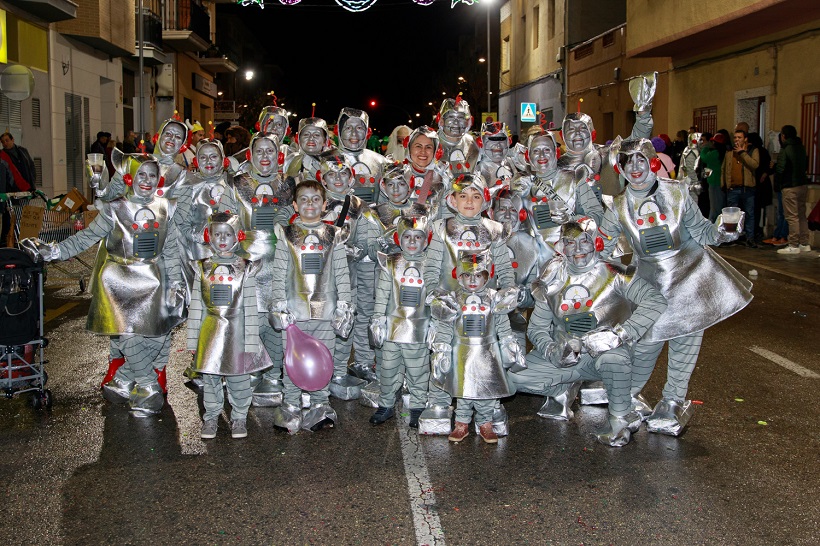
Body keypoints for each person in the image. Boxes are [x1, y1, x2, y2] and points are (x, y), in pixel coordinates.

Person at [599, 137, 753, 436]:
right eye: (627, 161)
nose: (635, 167)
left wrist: (723, 232)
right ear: (620, 167)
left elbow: (702, 231)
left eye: (640, 159)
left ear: (652, 161)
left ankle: (673, 400)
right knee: (646, 342)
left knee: (686, 339)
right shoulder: (618, 206)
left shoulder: (678, 192)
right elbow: (602, 245)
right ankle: (629, 394)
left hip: (692, 276)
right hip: (651, 283)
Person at [20, 153, 185, 416]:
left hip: (153, 279)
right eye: (141, 174)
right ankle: (146, 387)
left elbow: (172, 249)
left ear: (159, 179)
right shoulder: (114, 208)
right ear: (130, 177)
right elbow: (86, 237)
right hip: (118, 279)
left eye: (152, 175)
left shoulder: (167, 207)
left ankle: (122, 379)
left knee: (160, 335)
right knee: (128, 335)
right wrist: (54, 251)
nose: (147, 180)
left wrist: (176, 282)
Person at [510, 219, 667, 447]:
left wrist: (620, 335)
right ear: (561, 246)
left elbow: (655, 301)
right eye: (569, 243)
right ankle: (562, 388)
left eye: (584, 241)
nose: (578, 249)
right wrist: (552, 349)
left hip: (610, 354)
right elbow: (537, 328)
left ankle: (620, 418)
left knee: (614, 360)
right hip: (568, 355)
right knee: (514, 378)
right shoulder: (552, 279)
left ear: (597, 243)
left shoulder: (617, 273)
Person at [420, 173, 517, 435]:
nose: (470, 202)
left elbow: (504, 268)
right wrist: (434, 294)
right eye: (463, 196)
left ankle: (491, 405)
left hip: (484, 305)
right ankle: (439, 403)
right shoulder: (442, 228)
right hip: (450, 304)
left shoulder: (494, 229)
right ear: (452, 200)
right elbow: (431, 268)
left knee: (488, 357)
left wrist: (507, 291)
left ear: (485, 202)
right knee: (443, 356)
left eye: (476, 196)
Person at [269, 180, 354, 434]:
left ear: (325, 204)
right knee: (292, 361)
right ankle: (291, 405)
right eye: (303, 199)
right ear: (295, 205)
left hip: (325, 313)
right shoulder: (286, 234)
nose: (310, 204)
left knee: (323, 359)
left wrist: (345, 304)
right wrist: (278, 303)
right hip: (294, 313)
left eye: (316, 199)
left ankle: (320, 405)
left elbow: (341, 274)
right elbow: (279, 273)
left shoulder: (334, 235)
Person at [187, 211, 268, 440]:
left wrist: (251, 339)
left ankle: (240, 415)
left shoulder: (246, 268)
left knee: (238, 377)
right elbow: (196, 307)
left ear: (237, 237)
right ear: (209, 237)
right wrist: (193, 340)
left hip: (237, 331)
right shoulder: (202, 268)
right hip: (210, 331)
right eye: (217, 234)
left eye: (228, 234)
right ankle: (211, 415)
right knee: (210, 377)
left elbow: (250, 306)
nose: (222, 239)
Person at [429, 253, 524, 444]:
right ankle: (461, 422)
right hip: (461, 352)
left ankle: (485, 423)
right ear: (459, 276)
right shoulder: (453, 299)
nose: (473, 280)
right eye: (467, 275)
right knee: (464, 390)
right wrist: (442, 349)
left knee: (486, 390)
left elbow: (503, 325)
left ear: (487, 277)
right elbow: (446, 327)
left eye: (478, 275)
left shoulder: (495, 298)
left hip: (487, 353)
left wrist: (508, 345)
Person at [231, 132, 295, 406]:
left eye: (271, 151)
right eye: (260, 151)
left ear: (278, 154)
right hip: (249, 264)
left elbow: (297, 219)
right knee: (250, 324)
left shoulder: (288, 185)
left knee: (277, 324)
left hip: (280, 262)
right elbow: (225, 219)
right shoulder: (237, 184)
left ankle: (273, 375)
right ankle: (252, 371)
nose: (265, 156)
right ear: (251, 154)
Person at [316, 151, 380, 400]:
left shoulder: (357, 206)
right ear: (323, 179)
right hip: (317, 280)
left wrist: (356, 249)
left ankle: (339, 369)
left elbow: (368, 238)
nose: (338, 178)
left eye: (343, 173)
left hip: (347, 278)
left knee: (345, 323)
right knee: (318, 325)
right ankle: (319, 369)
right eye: (332, 174)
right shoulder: (314, 201)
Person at [369, 215, 433, 428]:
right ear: (398, 238)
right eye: (407, 236)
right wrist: (377, 318)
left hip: (418, 330)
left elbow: (436, 297)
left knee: (418, 371)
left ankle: (417, 407)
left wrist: (436, 324)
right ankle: (386, 404)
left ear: (426, 240)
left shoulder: (432, 265)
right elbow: (382, 294)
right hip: (393, 329)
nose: (412, 241)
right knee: (388, 369)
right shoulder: (391, 262)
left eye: (418, 237)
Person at [775, 125, 811, 254]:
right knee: (801, 215)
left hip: (790, 185)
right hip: (802, 184)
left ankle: (793, 245)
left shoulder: (785, 149)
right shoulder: (801, 147)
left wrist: (778, 183)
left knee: (792, 217)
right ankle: (805, 243)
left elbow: (780, 168)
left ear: (783, 136)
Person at [721, 129, 759, 247]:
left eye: (739, 137)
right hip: (733, 188)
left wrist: (743, 153)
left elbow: (755, 165)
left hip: (748, 188)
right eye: (735, 137)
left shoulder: (753, 150)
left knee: (749, 213)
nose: (737, 140)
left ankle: (750, 238)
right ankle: (731, 238)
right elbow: (724, 169)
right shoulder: (729, 153)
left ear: (745, 139)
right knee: (731, 216)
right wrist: (724, 184)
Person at [436, 96, 480, 177]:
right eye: (451, 117)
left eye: (461, 118)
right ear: (441, 121)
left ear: (468, 122)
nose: (456, 122)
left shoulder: (472, 142)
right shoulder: (432, 142)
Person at [701, 132, 725, 221]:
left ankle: (713, 224)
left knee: (714, 206)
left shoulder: (715, 153)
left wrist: (705, 148)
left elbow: (704, 157)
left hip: (714, 182)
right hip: (719, 181)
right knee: (718, 204)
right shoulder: (722, 152)